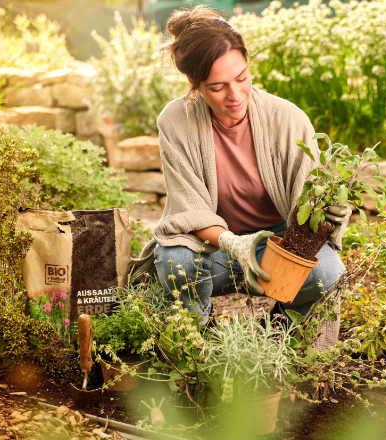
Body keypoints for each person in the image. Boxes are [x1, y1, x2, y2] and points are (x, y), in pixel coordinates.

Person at [130, 6, 351, 326]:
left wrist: (329, 212)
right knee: (176, 263)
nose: (235, 95)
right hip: (212, 249)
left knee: (324, 273)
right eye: (218, 87)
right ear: (194, 81)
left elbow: (309, 207)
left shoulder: (288, 120)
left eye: (241, 78)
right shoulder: (176, 122)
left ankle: (279, 335)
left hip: (275, 247)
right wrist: (235, 244)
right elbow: (189, 210)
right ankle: (197, 342)